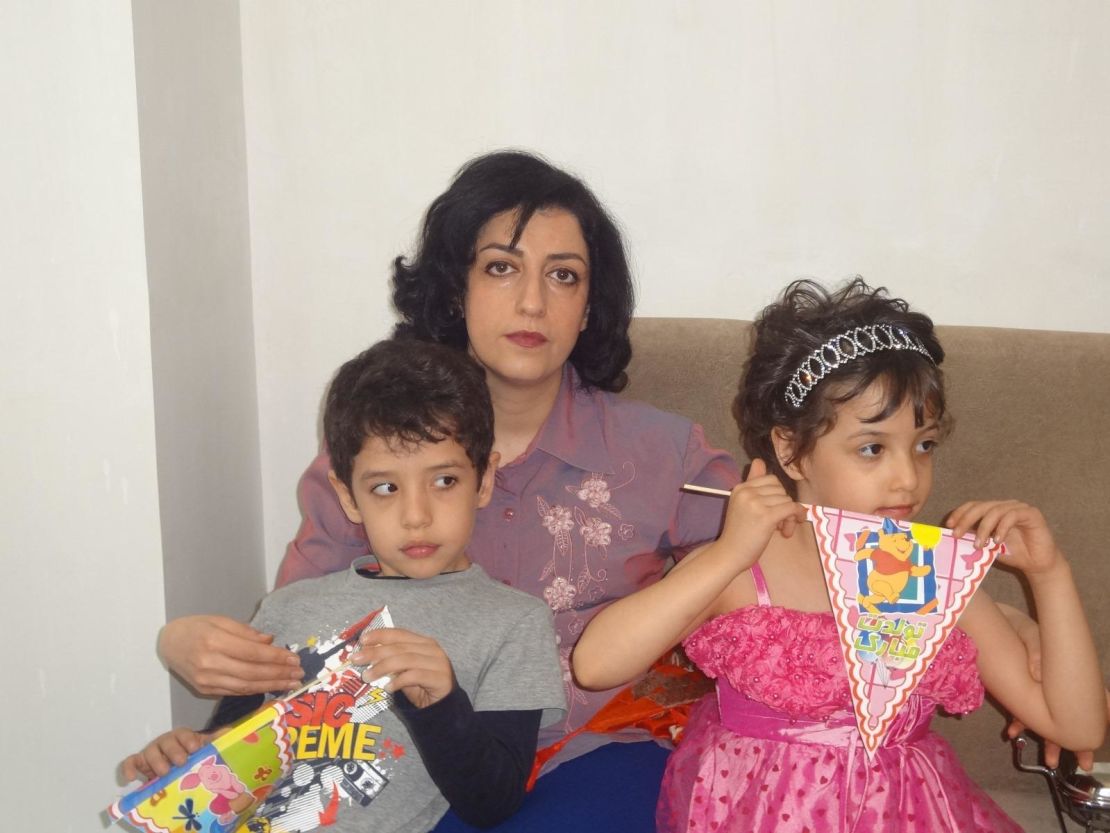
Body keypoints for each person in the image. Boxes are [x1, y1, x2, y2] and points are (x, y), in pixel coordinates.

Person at [156, 150, 741, 829]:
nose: (531, 301)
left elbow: (771, 558)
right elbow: (295, 648)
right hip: (413, 765)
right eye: (501, 267)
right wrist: (179, 640)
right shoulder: (372, 458)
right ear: (455, 288)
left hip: (599, 748)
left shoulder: (664, 451)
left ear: (589, 307)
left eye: (564, 275)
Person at [573, 279, 1107, 832]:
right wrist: (728, 553)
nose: (908, 479)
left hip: (907, 814)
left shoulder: (935, 576)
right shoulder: (742, 570)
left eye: (923, 445)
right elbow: (596, 666)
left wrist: (1049, 575)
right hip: (749, 813)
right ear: (791, 450)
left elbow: (1079, 729)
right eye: (872, 448)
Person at [122, 339, 566, 832]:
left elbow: (494, 803)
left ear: (484, 480)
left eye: (444, 481)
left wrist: (441, 706)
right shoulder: (287, 608)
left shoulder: (515, 622)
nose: (415, 516)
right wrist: (182, 755)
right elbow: (228, 753)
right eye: (385, 488)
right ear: (347, 497)